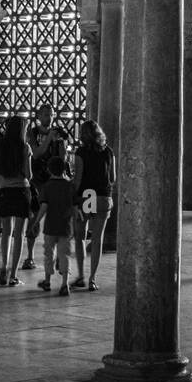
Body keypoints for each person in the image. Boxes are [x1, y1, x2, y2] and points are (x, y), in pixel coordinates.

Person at [22, 104, 71, 270]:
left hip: (54, 180)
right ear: (38, 116)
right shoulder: (32, 133)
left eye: (50, 114)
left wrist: (61, 145)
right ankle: (29, 256)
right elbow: (35, 153)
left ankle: (57, 257)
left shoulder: (59, 132)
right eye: (45, 114)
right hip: (37, 180)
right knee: (34, 217)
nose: (48, 117)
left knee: (55, 218)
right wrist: (49, 138)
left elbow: (63, 158)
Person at [74, 120, 115, 291]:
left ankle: (81, 275)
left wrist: (72, 198)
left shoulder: (81, 152)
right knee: (97, 239)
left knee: (80, 237)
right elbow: (113, 178)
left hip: (86, 196)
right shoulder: (108, 151)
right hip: (104, 196)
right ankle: (92, 278)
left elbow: (78, 179)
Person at [0, 115, 31, 286]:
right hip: (21, 191)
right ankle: (13, 274)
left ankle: (3, 266)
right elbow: (29, 175)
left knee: (6, 232)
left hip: (4, 191)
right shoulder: (25, 147)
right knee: (19, 234)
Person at [33, 155, 77, 296]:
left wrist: (36, 221)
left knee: (48, 254)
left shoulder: (47, 187)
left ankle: (47, 281)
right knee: (65, 255)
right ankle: (64, 284)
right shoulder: (70, 186)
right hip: (66, 227)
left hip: (50, 227)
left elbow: (44, 206)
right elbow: (74, 207)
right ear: (64, 169)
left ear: (49, 170)